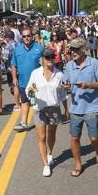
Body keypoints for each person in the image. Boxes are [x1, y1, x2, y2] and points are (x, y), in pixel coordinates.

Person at [62, 37, 98, 177]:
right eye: (71, 49)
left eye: (75, 49)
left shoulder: (93, 63)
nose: (72, 52)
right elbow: (65, 81)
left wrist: (89, 86)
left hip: (91, 107)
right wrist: (66, 86)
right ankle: (78, 164)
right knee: (74, 138)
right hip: (75, 108)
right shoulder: (69, 65)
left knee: (94, 138)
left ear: (83, 49)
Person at [27, 48, 69, 177]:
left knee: (51, 133)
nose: (50, 59)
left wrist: (66, 109)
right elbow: (29, 91)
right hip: (39, 109)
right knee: (42, 137)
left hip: (54, 108)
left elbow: (63, 94)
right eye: (47, 57)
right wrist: (31, 93)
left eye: (52, 57)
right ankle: (45, 165)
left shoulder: (59, 74)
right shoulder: (35, 73)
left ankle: (49, 153)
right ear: (42, 60)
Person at [11, 28, 44, 132]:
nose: (26, 38)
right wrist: (14, 77)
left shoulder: (39, 48)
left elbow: (46, 64)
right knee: (24, 102)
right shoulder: (17, 49)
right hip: (23, 82)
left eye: (28, 36)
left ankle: (42, 121)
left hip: (36, 84)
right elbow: (13, 64)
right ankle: (24, 123)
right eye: (24, 36)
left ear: (32, 36)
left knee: (35, 103)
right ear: (22, 37)